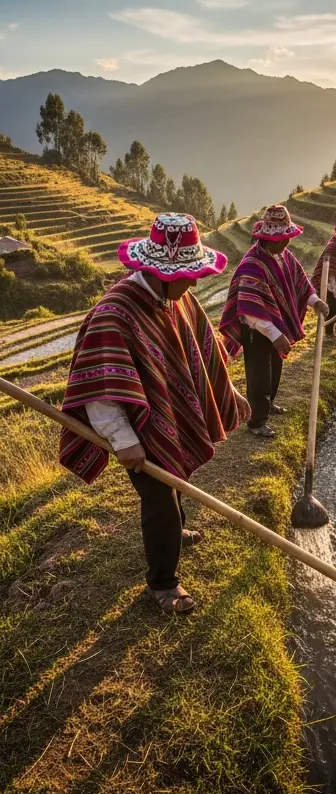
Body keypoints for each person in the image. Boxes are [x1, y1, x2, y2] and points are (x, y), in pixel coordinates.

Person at [60, 213, 249, 614]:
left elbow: (201, 351)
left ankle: (176, 531)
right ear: (161, 272)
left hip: (166, 416)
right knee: (159, 496)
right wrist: (124, 440)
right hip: (136, 426)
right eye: (190, 273)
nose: (195, 281)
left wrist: (229, 392)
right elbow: (101, 384)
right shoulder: (115, 313)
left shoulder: (176, 298)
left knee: (174, 477)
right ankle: (163, 583)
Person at [218, 204, 327, 439]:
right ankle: (257, 420)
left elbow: (300, 282)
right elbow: (249, 309)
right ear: (269, 238)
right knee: (259, 374)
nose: (288, 241)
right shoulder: (252, 265)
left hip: (275, 327)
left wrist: (315, 301)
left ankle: (270, 403)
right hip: (255, 330)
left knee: (275, 368)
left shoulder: (284, 256)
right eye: (284, 237)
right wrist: (275, 335)